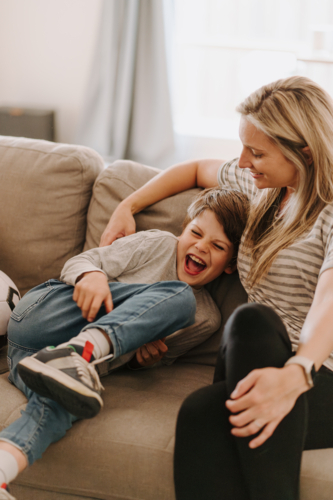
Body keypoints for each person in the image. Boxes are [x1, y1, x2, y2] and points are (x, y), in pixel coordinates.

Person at [97, 75, 333, 499]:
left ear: (305, 154)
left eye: (257, 152)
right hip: (252, 356)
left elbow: (329, 301)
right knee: (251, 324)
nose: (242, 162)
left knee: (201, 413)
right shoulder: (262, 189)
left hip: (321, 375)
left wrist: (297, 373)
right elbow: (193, 169)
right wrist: (127, 206)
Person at [0, 187, 248, 500]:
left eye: (217, 245)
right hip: (47, 315)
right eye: (195, 233)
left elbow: (150, 359)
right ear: (183, 230)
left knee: (66, 403)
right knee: (181, 297)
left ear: (230, 264)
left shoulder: (206, 319)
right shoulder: (159, 243)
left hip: (31, 360)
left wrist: (141, 362)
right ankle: (77, 351)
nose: (200, 246)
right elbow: (81, 263)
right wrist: (92, 275)